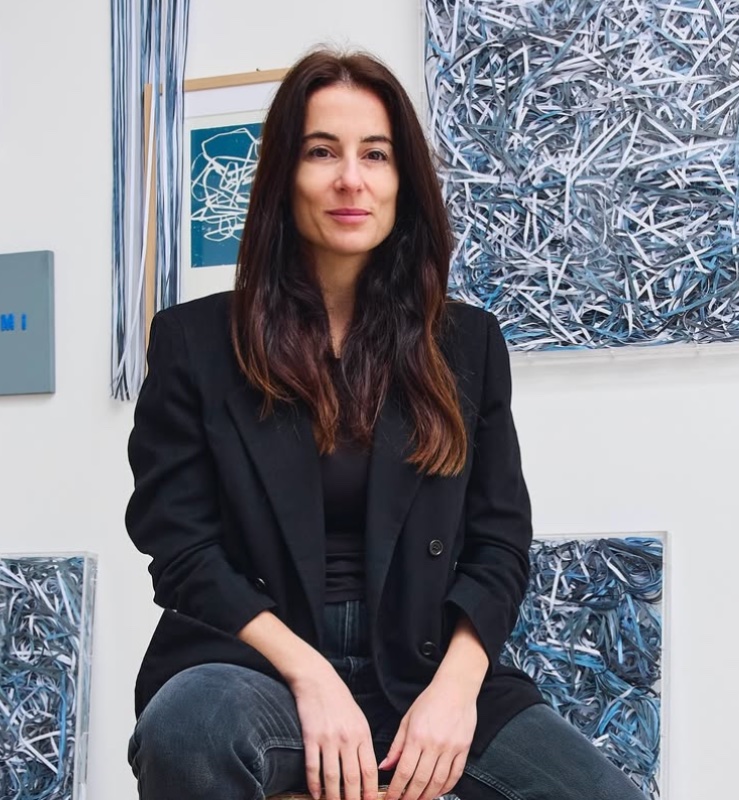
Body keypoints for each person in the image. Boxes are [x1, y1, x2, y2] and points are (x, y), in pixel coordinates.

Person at [125, 49, 645, 800]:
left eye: (376, 154)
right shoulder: (195, 343)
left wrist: (455, 693)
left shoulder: (467, 345)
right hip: (255, 670)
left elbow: (499, 545)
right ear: (283, 175)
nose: (351, 179)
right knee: (186, 729)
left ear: (404, 180)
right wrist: (310, 676)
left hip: (425, 664)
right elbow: (181, 548)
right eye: (321, 152)